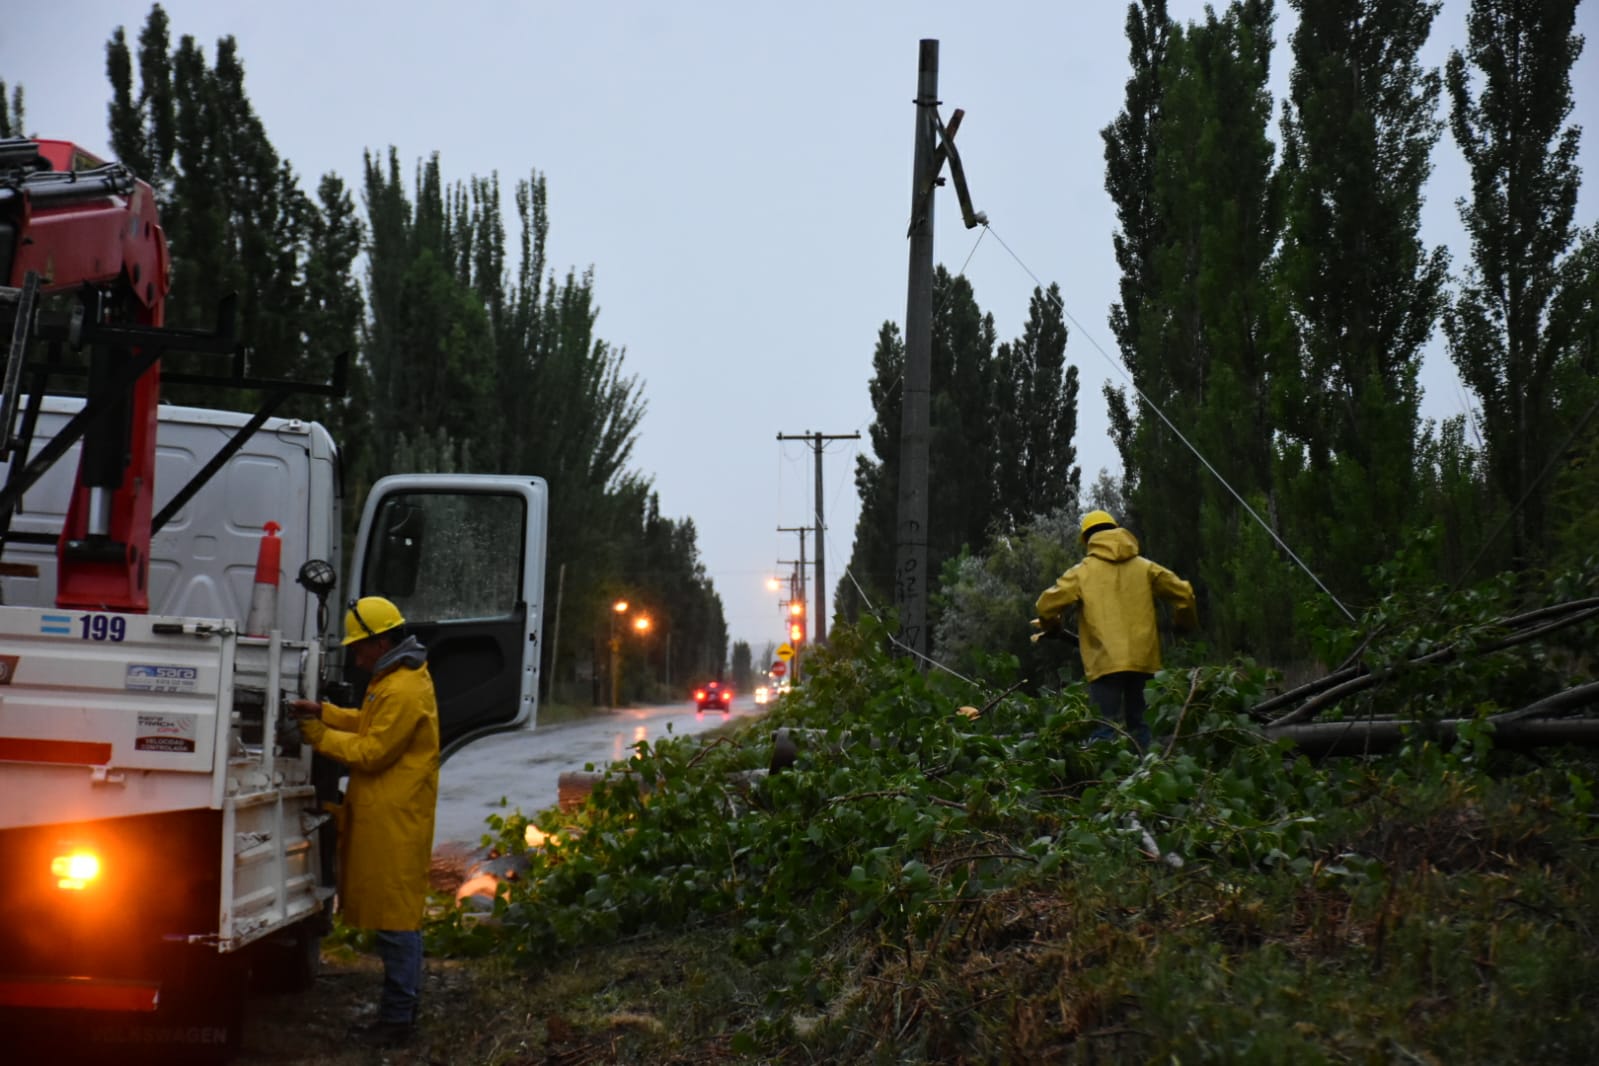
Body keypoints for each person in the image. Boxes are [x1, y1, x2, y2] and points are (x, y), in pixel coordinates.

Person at [289, 595, 439, 1048]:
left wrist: (317, 736)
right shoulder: (394, 678)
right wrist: (327, 714)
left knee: (396, 922)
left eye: (358, 647)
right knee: (393, 918)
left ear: (380, 641)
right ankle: (399, 1014)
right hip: (389, 813)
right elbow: (370, 724)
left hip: (396, 818)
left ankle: (397, 1022)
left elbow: (373, 752)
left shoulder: (404, 687)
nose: (355, 655)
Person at [1033, 510, 1197, 749]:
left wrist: (1052, 626)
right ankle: (1146, 777)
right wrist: (1183, 624)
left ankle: (1103, 782)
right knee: (1143, 727)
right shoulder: (1145, 567)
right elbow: (1185, 594)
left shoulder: (1082, 572)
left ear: (1087, 539)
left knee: (1103, 730)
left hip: (1105, 663)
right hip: (1144, 661)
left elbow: (1046, 605)